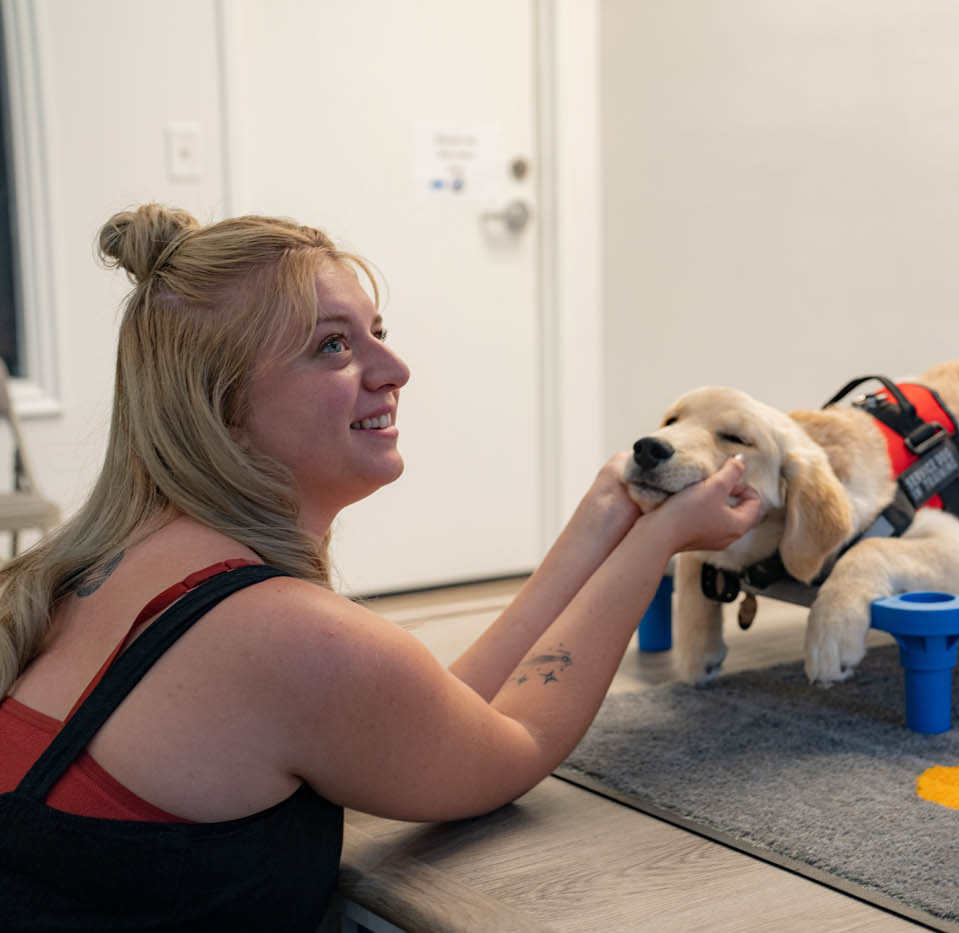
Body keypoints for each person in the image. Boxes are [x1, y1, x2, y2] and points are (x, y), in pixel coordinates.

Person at [0, 204, 762, 929]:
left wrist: (605, 519)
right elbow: (513, 746)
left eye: (377, 332)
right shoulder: (286, 634)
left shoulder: (97, 569)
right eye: (333, 345)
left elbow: (428, 715)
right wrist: (655, 544)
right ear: (218, 404)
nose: (394, 367)